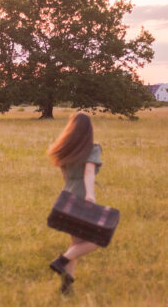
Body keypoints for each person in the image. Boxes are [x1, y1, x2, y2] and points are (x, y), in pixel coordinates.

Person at [47, 112, 102, 294]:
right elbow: (88, 173)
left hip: (67, 197)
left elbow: (66, 176)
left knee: (76, 243)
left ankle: (66, 286)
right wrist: (91, 196)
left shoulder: (66, 149)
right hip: (83, 197)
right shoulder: (93, 148)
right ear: (89, 130)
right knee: (98, 239)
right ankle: (62, 260)